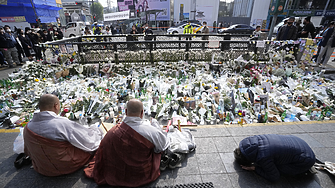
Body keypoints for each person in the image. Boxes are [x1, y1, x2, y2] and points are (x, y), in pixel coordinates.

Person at [84, 99, 170, 187]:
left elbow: (103, 151)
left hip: (117, 173)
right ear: (142, 112)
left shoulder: (112, 132)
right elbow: (162, 146)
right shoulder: (151, 131)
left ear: (125, 111)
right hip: (141, 173)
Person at [24, 94, 104, 176]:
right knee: (91, 144)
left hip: (41, 167)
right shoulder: (61, 124)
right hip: (64, 166)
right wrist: (96, 130)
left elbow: (27, 151)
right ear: (56, 106)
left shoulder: (28, 127)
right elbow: (88, 141)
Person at [234, 134, 315, 182]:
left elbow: (274, 177)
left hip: (306, 160)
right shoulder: (258, 138)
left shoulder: (263, 157)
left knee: (277, 168)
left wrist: (255, 168)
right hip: (299, 143)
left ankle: (304, 169)